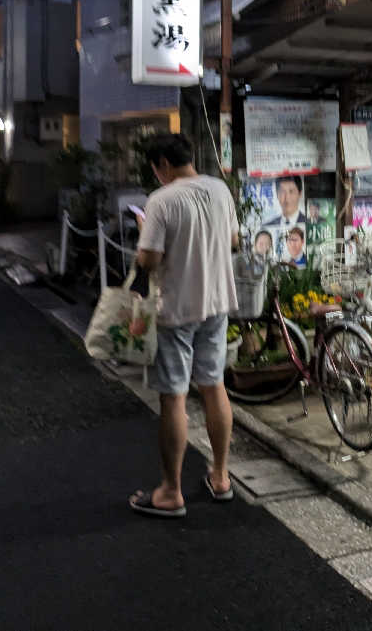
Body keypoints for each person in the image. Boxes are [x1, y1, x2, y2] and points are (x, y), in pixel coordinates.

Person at [129, 132, 239, 518]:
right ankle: (221, 477)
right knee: (213, 386)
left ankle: (171, 492)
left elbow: (149, 259)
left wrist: (145, 230)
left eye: (155, 168)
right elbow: (235, 242)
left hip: (176, 309)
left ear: (162, 164)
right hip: (217, 303)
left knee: (174, 397)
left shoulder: (162, 200)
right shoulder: (221, 191)